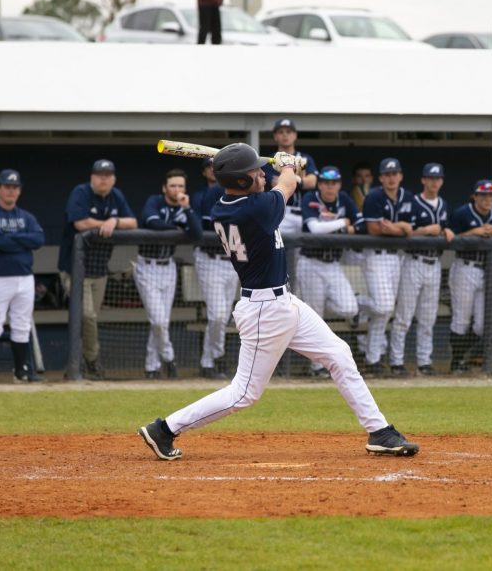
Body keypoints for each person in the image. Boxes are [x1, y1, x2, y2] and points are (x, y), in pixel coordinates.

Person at [138, 144, 418, 460]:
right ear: (242, 181)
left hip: (283, 302)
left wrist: (279, 167)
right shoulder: (253, 209)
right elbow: (288, 183)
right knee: (243, 394)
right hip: (264, 311)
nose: (260, 172)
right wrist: (287, 164)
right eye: (254, 171)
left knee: (338, 353)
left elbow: (275, 184)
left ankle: (379, 430)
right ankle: (165, 429)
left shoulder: (229, 205)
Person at [58, 159, 137, 380]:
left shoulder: (116, 196)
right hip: (74, 269)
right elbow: (80, 223)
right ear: (92, 177)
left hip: (99, 269)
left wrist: (115, 220)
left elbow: (132, 222)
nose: (103, 178)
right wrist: (105, 224)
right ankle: (92, 362)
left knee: (89, 319)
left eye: (108, 174)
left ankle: (74, 367)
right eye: (99, 174)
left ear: (113, 178)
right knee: (87, 316)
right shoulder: (81, 192)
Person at [0, 169, 45, 383]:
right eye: (7, 187)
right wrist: (21, 240)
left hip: (24, 277)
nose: (11, 191)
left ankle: (21, 371)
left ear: (19, 191)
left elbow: (38, 239)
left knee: (21, 324)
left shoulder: (26, 216)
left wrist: (12, 238)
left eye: (15, 188)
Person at [133, 169, 203, 379]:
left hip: (169, 267)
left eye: (181, 186)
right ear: (165, 188)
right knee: (159, 321)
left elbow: (197, 233)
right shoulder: (154, 202)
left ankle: (151, 367)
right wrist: (176, 229)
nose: (177, 189)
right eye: (173, 186)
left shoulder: (184, 208)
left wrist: (187, 209)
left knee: (161, 320)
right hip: (147, 266)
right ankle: (170, 358)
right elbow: (151, 222)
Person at [298, 166, 362, 378]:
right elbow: (314, 229)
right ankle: (316, 367)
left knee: (350, 308)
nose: (330, 186)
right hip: (310, 262)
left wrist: (344, 225)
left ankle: (331, 301)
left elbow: (360, 224)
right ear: (320, 184)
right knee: (315, 318)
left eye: (334, 183)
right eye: (326, 182)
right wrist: (343, 223)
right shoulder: (309, 198)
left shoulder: (344, 199)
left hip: (333, 263)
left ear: (339, 184)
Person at [390, 163, 453, 376]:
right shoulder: (412, 202)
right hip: (413, 262)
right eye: (430, 178)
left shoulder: (443, 204)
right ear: (423, 180)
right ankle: (396, 361)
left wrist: (446, 230)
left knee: (428, 317)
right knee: (404, 316)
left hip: (434, 264)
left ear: (442, 181)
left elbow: (443, 226)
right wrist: (427, 230)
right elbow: (404, 232)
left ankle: (424, 361)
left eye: (438, 179)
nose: (434, 182)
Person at [359, 157, 414, 375]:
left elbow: (410, 228)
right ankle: (357, 302)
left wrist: (395, 227)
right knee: (383, 307)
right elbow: (373, 229)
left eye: (395, 174)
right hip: (376, 256)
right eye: (387, 175)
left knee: (383, 313)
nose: (391, 178)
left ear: (400, 176)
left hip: (397, 259)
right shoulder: (373, 196)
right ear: (381, 178)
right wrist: (399, 229)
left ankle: (373, 360)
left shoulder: (407, 197)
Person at [447, 180, 492, 373]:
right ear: (475, 197)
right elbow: (451, 239)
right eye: (483, 195)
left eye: (490, 195)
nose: (487, 199)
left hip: (487, 271)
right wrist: (474, 233)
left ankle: (466, 356)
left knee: (482, 324)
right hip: (465, 267)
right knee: (461, 320)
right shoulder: (462, 213)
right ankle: (456, 362)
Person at [194, 158, 237, 379]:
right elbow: (206, 228)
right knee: (218, 314)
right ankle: (214, 357)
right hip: (210, 258)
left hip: (231, 260)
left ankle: (210, 361)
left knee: (223, 315)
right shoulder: (210, 194)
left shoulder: (241, 189)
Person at [261, 118, 318, 235]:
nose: (285, 135)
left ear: (295, 135)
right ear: (275, 136)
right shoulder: (270, 161)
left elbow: (312, 182)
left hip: (304, 212)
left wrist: (289, 180)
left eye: (289, 132)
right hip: (282, 213)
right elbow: (276, 183)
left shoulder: (305, 158)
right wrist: (301, 179)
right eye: (281, 132)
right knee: (280, 249)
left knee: (302, 252)